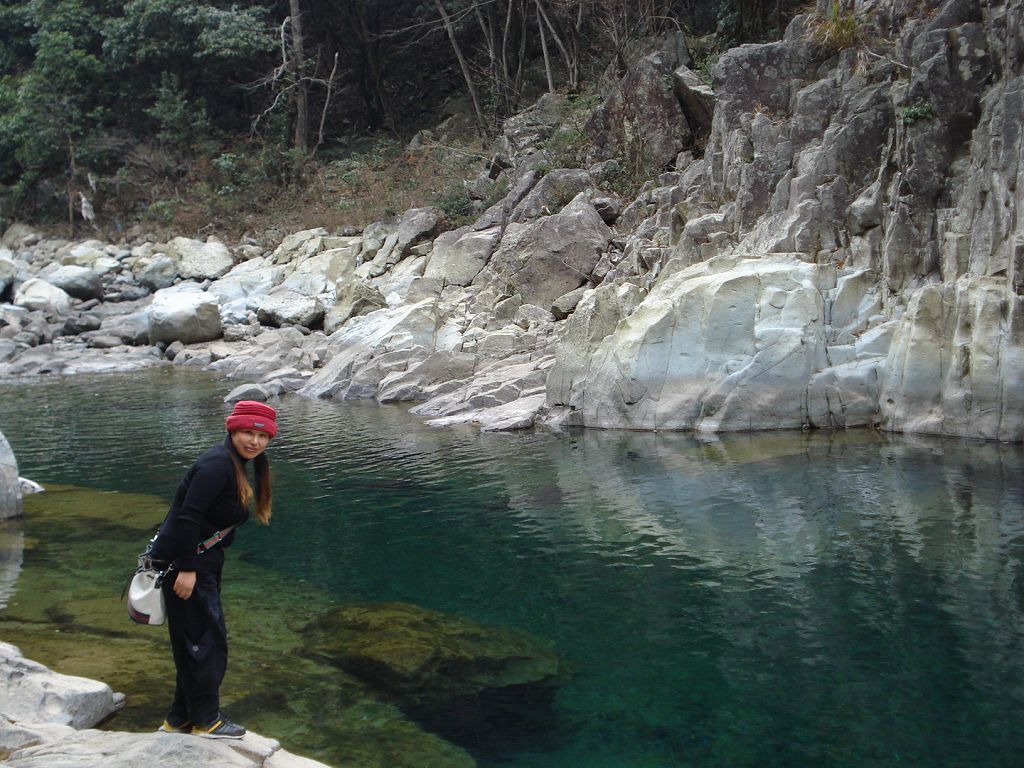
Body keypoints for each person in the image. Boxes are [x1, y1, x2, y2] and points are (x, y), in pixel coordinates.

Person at [148, 400, 277, 739]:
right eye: (248, 432)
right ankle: (206, 721)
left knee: (195, 642)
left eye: (262, 436)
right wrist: (188, 570)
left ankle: (179, 719)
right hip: (187, 566)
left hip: (197, 563)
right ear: (232, 430)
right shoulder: (217, 465)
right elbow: (187, 517)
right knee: (206, 645)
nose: (255, 441)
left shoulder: (234, 462)